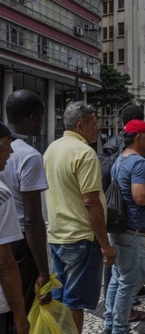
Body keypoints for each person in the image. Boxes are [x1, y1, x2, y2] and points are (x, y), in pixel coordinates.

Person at [43, 102, 117, 333]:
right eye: (93, 124)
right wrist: (105, 245)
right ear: (80, 125)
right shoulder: (84, 153)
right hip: (81, 238)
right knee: (75, 302)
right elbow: (90, 202)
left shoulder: (51, 149)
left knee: (60, 298)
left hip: (57, 236)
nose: (97, 129)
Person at [104, 120, 145, 334]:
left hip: (121, 230)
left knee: (118, 280)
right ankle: (119, 329)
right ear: (139, 137)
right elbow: (140, 197)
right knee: (129, 284)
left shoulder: (120, 160)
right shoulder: (139, 163)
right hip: (135, 233)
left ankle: (109, 324)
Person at [0, 90, 52, 314]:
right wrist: (43, 271)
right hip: (21, 243)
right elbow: (32, 220)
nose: (41, 123)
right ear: (31, 118)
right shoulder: (29, 156)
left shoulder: (8, 149)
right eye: (41, 117)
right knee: (24, 309)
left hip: (4, 238)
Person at [0, 122, 30, 334]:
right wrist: (20, 316)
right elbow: (5, 263)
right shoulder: (2, 195)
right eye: (9, 144)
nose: (11, 152)